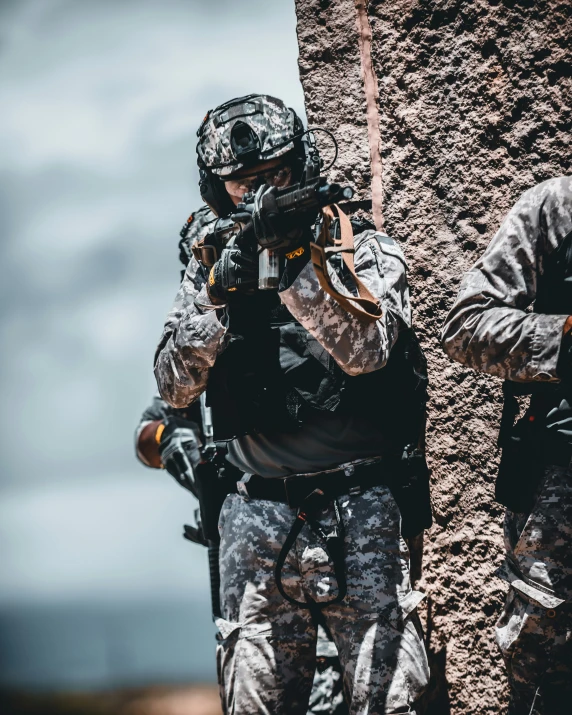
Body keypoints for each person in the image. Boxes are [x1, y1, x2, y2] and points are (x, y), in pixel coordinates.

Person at [154, 94, 431, 714]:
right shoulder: (208, 266)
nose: (257, 196)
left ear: (299, 166)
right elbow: (173, 385)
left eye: (274, 176)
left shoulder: (358, 248)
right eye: (241, 184)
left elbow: (368, 352)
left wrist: (296, 268)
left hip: (362, 507)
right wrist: (219, 296)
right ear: (215, 189)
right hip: (255, 518)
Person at [136, 203, 348, 715]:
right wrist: (175, 444)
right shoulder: (205, 345)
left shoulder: (293, 325)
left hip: (322, 533)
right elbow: (147, 432)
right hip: (242, 542)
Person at [441, 176, 572, 715]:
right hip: (560, 492)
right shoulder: (557, 206)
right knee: (547, 686)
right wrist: (564, 335)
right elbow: (465, 326)